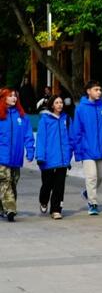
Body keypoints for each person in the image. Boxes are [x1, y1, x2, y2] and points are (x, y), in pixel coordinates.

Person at [71, 80, 102, 214]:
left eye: (100, 90)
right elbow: (77, 130)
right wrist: (78, 151)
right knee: (92, 177)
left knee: (100, 176)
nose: (99, 92)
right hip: (87, 150)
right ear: (88, 91)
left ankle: (87, 192)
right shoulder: (81, 108)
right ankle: (93, 203)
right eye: (96, 89)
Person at [0, 88, 35, 222]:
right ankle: (10, 209)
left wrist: (30, 151)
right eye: (10, 96)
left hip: (16, 157)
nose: (14, 98)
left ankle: (3, 207)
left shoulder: (22, 116)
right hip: (2, 157)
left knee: (13, 182)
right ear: (4, 98)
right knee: (5, 181)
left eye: (15, 96)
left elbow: (28, 135)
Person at [35, 95, 72, 220]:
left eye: (61, 102)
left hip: (62, 160)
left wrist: (68, 157)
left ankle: (56, 209)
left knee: (59, 186)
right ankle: (43, 200)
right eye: (57, 102)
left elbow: (70, 139)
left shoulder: (66, 119)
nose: (60, 104)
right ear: (52, 105)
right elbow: (40, 139)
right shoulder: (45, 120)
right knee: (47, 184)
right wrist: (40, 156)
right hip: (48, 159)